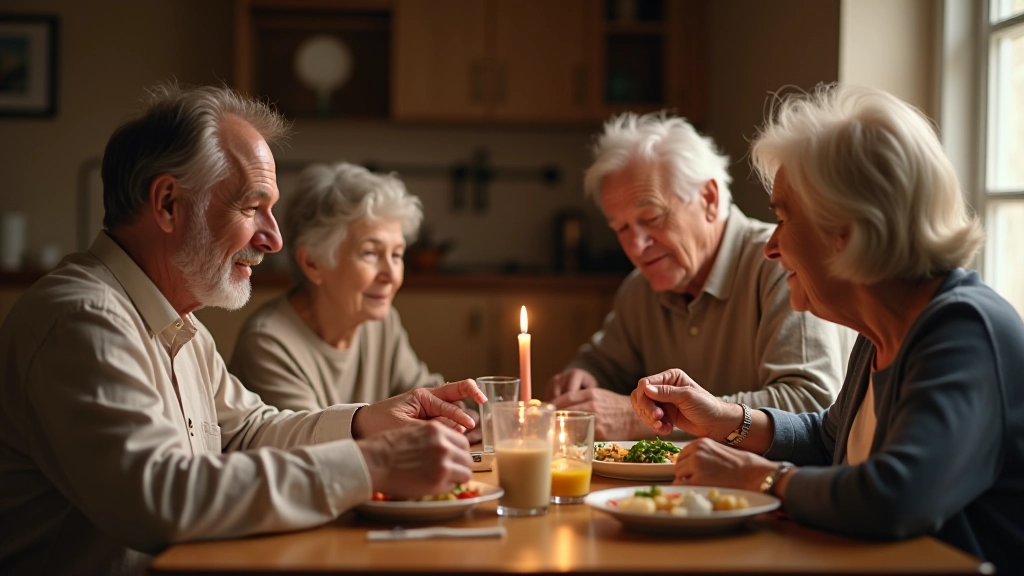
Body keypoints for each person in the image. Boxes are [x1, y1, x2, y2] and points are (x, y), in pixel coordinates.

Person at [0, 84, 484, 576]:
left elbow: (248, 432)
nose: (273, 239)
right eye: (252, 208)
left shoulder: (179, 323)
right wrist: (373, 464)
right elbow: (160, 498)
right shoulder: (84, 320)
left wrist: (366, 422)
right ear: (167, 203)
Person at [630, 84, 1024, 572]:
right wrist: (724, 420)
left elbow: (895, 496)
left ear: (848, 229)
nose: (771, 246)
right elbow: (827, 443)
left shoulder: (964, 330)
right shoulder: (882, 328)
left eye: (783, 218)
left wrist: (760, 478)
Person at [548, 112, 853, 440]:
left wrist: (639, 418)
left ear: (709, 198)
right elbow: (601, 365)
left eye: (651, 217)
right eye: (621, 228)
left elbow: (810, 405)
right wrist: (581, 380)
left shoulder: (781, 266)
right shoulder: (640, 289)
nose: (635, 246)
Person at [229, 162, 442, 411]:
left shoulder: (381, 324)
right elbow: (316, 435)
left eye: (396, 255)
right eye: (370, 253)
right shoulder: (269, 343)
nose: (392, 276)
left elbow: (427, 396)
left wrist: (462, 410)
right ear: (313, 263)